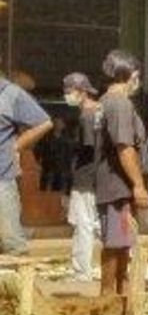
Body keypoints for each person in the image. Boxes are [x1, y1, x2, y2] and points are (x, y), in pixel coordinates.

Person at [94, 50, 148, 294]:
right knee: (116, 242)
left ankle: (120, 293)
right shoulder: (119, 104)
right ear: (133, 76)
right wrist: (138, 184)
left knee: (122, 241)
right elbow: (125, 148)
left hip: (116, 185)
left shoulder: (107, 102)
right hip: (118, 185)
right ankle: (108, 296)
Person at [0, 72, 51, 254]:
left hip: (2, 179)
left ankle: (17, 281)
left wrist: (18, 144)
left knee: (11, 243)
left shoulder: (11, 94)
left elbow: (44, 122)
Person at [63, 73, 102, 279]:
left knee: (82, 224)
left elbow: (87, 149)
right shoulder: (99, 111)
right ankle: (124, 264)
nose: (67, 95)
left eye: (70, 91)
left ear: (82, 91)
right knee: (100, 224)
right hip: (101, 177)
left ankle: (81, 272)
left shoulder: (86, 115)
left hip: (85, 177)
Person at [35, 117, 73, 193]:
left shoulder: (67, 140)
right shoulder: (47, 139)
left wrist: (69, 168)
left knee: (61, 191)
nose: (58, 125)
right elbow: (40, 151)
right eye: (56, 122)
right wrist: (38, 163)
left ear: (63, 125)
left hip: (62, 169)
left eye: (60, 123)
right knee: (47, 189)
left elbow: (69, 155)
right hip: (49, 168)